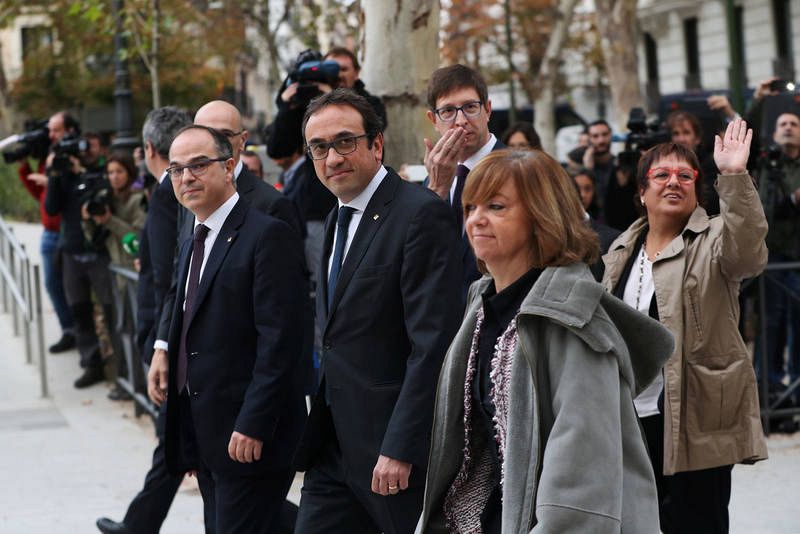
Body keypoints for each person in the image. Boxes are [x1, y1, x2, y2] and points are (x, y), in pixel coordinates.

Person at [415, 149, 674, 533]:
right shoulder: (483, 305)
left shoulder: (571, 319)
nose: (476, 220)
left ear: (541, 217)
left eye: (496, 206)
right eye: (471, 207)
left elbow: (582, 481)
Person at [293, 89, 461, 534]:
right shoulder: (336, 218)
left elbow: (433, 345)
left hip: (391, 451)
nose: (332, 157)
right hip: (333, 445)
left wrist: (401, 445)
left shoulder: (419, 215)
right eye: (320, 147)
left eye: (345, 141)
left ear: (377, 145)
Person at [602, 120, 768, 533]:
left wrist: (733, 175)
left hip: (698, 417)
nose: (673, 181)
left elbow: (748, 253)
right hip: (632, 418)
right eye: (661, 175)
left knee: (698, 523)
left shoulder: (714, 238)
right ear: (642, 192)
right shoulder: (620, 250)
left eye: (685, 175)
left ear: (697, 187)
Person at [151, 125, 307, 532]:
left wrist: (253, 423)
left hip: (249, 435)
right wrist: (164, 350)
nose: (187, 178)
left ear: (230, 167)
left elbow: (280, 342)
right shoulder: (194, 234)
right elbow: (188, 315)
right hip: (204, 431)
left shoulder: (266, 234)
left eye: (199, 165)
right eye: (177, 170)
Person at [96, 107, 192, 534]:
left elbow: (175, 276)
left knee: (184, 453)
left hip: (169, 342)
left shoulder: (171, 193)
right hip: (167, 342)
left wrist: (160, 345)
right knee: (180, 454)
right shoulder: (167, 193)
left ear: (148, 149)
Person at [44, 111, 115, 388]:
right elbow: (51, 207)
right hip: (72, 251)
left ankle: (120, 367)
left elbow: (103, 193)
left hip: (98, 251)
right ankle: (91, 363)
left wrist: (80, 172)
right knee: (80, 311)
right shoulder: (61, 171)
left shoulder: (98, 169)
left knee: (111, 310)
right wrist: (54, 174)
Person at [423, 64, 505, 299]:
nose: (461, 120)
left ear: (487, 110)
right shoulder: (432, 179)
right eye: (448, 111)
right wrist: (436, 190)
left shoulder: (518, 170)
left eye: (470, 107)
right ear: (434, 120)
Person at [18, 112, 75, 353]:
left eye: (56, 130)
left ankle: (80, 333)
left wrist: (49, 179)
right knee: (52, 284)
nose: (51, 135)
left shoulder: (69, 157)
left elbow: (67, 194)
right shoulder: (48, 157)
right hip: (48, 233)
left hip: (67, 231)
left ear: (69, 131)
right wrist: (24, 168)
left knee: (72, 286)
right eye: (50, 131)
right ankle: (68, 330)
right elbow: (40, 196)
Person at [755, 111, 800, 395]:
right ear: (773, 134)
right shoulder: (766, 167)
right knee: (771, 321)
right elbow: (761, 210)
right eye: (782, 124)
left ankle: (795, 390)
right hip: (772, 256)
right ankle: (767, 390)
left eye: (794, 124)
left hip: (797, 253)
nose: (787, 128)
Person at [81, 152, 146, 272]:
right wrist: (87, 220)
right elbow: (93, 238)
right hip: (114, 268)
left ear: (129, 173)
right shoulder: (105, 199)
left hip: (134, 268)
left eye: (119, 171)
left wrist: (109, 220)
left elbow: (138, 237)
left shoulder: (138, 199)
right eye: (110, 172)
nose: (114, 177)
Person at [666, 110, 720, 215]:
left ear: (697, 138)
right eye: (676, 133)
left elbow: (710, 202)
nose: (681, 139)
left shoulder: (710, 165)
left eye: (686, 132)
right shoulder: (663, 164)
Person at [324, 46, 388, 128]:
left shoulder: (373, 105)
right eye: (331, 70)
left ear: (356, 73)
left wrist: (329, 98)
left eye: (343, 69)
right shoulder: (309, 98)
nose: (338, 75)